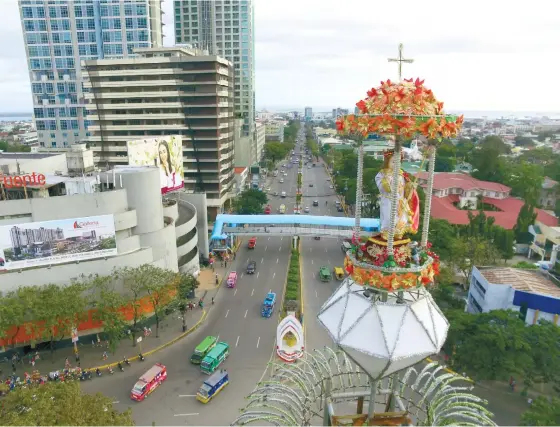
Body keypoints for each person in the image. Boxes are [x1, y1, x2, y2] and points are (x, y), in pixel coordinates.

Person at [375, 149, 420, 240]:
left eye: (398, 162)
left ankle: (398, 233)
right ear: (388, 162)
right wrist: (388, 181)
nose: (396, 164)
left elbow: (405, 187)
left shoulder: (401, 174)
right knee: (388, 218)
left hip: (400, 201)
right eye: (393, 162)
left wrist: (410, 186)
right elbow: (382, 186)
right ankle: (386, 234)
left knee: (402, 218)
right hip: (389, 200)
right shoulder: (383, 174)